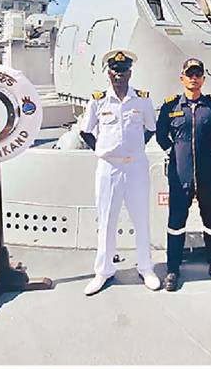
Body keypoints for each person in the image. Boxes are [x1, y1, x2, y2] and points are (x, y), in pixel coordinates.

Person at [79, 49, 161, 295]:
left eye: (123, 70)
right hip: (109, 168)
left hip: (135, 166)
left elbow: (151, 128)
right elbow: (85, 131)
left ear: (130, 72)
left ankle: (146, 267)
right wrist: (102, 150)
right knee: (106, 220)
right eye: (115, 70)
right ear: (108, 72)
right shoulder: (98, 100)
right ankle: (104, 271)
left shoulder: (142, 100)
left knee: (141, 217)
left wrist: (135, 148)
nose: (119, 74)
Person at [156, 58, 211, 291]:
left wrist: (205, 153)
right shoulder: (170, 107)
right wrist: (176, 154)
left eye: (198, 74)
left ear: (203, 79)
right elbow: (161, 136)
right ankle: (173, 269)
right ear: (182, 78)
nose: (194, 78)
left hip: (208, 173)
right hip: (181, 175)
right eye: (190, 74)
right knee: (176, 222)